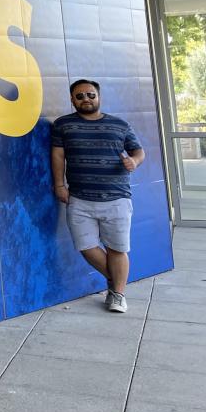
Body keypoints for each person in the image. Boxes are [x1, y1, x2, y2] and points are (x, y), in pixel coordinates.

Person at [51, 79, 145, 313]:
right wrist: (59, 185)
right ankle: (115, 281)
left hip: (117, 198)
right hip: (79, 199)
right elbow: (58, 156)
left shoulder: (119, 125)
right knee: (86, 246)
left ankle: (118, 295)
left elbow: (138, 151)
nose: (86, 99)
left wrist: (134, 161)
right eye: (80, 96)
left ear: (99, 97)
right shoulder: (63, 125)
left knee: (117, 248)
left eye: (90, 95)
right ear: (72, 100)